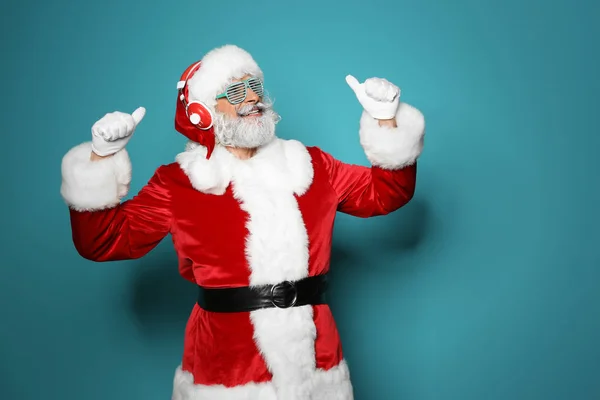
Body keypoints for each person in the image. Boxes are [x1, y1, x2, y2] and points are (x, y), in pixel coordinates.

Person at [59, 44, 425, 400]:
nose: (252, 98)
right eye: (235, 91)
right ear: (203, 113)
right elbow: (101, 242)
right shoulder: (178, 182)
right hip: (224, 369)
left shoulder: (311, 165)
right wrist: (100, 159)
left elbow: (386, 193)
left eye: (255, 87)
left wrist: (386, 120)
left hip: (317, 362)